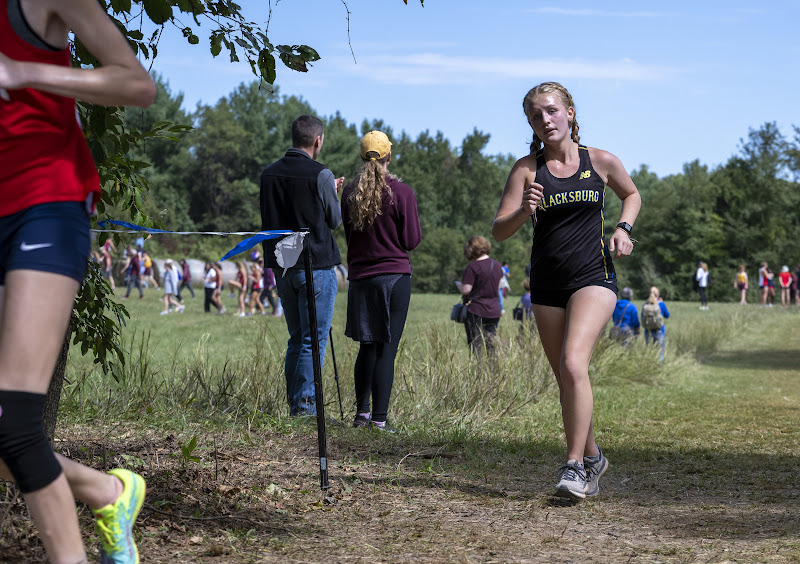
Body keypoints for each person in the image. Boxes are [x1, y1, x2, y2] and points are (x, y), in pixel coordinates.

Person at [0, 0, 155, 562]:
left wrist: (23, 71)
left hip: (44, 201)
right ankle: (105, 491)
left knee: (13, 423)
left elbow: (136, 84)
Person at [492, 82, 641, 500]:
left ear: (570, 112)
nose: (545, 120)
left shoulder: (601, 161)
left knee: (574, 364)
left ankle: (574, 465)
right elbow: (499, 231)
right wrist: (524, 210)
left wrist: (623, 229)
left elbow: (631, 194)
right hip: (547, 284)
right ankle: (593, 456)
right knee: (566, 378)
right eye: (535, 116)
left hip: (594, 277)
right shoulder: (526, 169)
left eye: (552, 111)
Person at [259, 114, 344, 417]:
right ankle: (305, 408)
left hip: (283, 264)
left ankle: (295, 404)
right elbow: (335, 220)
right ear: (318, 140)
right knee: (313, 340)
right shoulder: (321, 174)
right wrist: (331, 191)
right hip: (315, 265)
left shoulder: (268, 174)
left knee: (296, 339)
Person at [342, 131, 421, 430]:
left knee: (367, 346)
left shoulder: (349, 193)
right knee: (387, 348)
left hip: (361, 278)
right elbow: (411, 240)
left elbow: (349, 237)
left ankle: (361, 415)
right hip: (393, 277)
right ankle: (379, 421)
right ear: (389, 156)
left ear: (362, 157)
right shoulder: (402, 192)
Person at [456, 236, 504, 358]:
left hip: (476, 310)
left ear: (471, 249)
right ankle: (493, 367)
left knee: (475, 344)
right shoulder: (497, 265)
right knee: (491, 343)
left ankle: (478, 368)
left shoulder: (473, 266)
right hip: (494, 310)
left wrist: (458, 284)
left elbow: (466, 289)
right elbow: (498, 286)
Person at [641, 286, 670, 362]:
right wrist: (662, 303)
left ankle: (650, 365)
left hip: (648, 331)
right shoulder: (661, 304)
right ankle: (659, 366)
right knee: (660, 352)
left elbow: (642, 317)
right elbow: (667, 315)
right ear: (658, 294)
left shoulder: (645, 305)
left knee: (650, 351)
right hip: (659, 330)